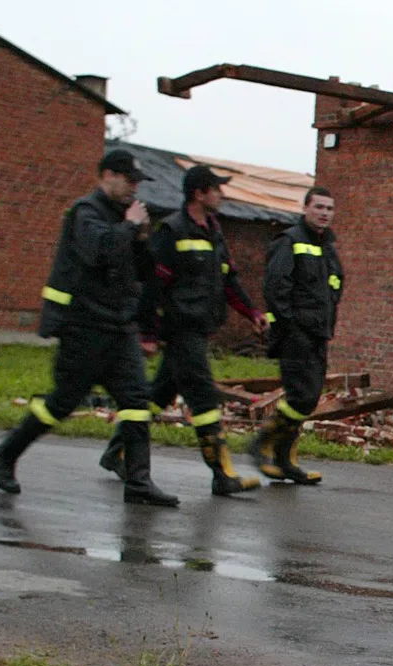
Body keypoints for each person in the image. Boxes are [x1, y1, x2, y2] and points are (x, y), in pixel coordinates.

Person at [0, 150, 178, 506]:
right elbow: (98, 252)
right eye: (129, 181)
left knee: (137, 401)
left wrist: (140, 241)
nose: (134, 189)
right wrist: (130, 227)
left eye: (137, 183)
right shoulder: (85, 212)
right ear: (107, 175)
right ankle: (4, 455)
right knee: (62, 402)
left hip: (119, 327)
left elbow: (140, 272)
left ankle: (138, 482)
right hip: (83, 326)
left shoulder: (123, 218)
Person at [99, 165, 268, 496]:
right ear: (199, 193)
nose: (221, 195)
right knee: (203, 397)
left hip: (201, 327)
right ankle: (222, 474)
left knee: (157, 395)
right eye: (216, 189)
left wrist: (252, 312)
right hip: (179, 328)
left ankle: (116, 451)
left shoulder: (213, 231)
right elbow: (152, 286)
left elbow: (228, 279)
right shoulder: (172, 231)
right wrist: (148, 333)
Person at [251, 187, 343, 485]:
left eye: (329, 208)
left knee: (308, 396)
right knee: (302, 395)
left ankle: (285, 459)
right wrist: (290, 325)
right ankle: (265, 443)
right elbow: (276, 287)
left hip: (318, 332)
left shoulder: (328, 246)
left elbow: (333, 286)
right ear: (305, 208)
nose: (324, 213)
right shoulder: (290, 241)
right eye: (318, 207)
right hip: (295, 333)